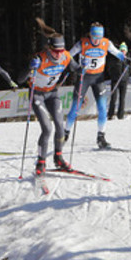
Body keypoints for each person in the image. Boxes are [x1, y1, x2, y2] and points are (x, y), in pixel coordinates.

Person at [28, 18, 82, 175]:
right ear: (49, 48)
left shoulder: (65, 56)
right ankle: (40, 162)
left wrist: (81, 69)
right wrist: (30, 68)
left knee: (60, 126)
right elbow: (20, 79)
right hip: (37, 94)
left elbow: (75, 68)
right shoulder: (39, 58)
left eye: (61, 50)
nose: (59, 54)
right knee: (47, 128)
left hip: (52, 93)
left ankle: (58, 158)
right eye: (56, 51)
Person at [64, 22, 125, 149]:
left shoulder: (106, 43)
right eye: (94, 37)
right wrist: (76, 67)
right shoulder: (83, 43)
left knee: (102, 108)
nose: (96, 40)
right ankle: (65, 133)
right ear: (90, 35)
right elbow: (68, 55)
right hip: (84, 78)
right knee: (75, 107)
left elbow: (116, 52)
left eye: (99, 37)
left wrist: (125, 58)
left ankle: (101, 137)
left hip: (98, 78)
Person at [107, 42, 131, 120]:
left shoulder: (128, 60)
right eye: (121, 50)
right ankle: (110, 114)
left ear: (126, 51)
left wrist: (127, 76)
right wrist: (112, 75)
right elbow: (109, 68)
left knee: (122, 98)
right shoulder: (115, 58)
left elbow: (130, 70)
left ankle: (120, 115)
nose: (123, 51)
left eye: (124, 50)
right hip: (115, 80)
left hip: (124, 81)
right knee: (113, 98)